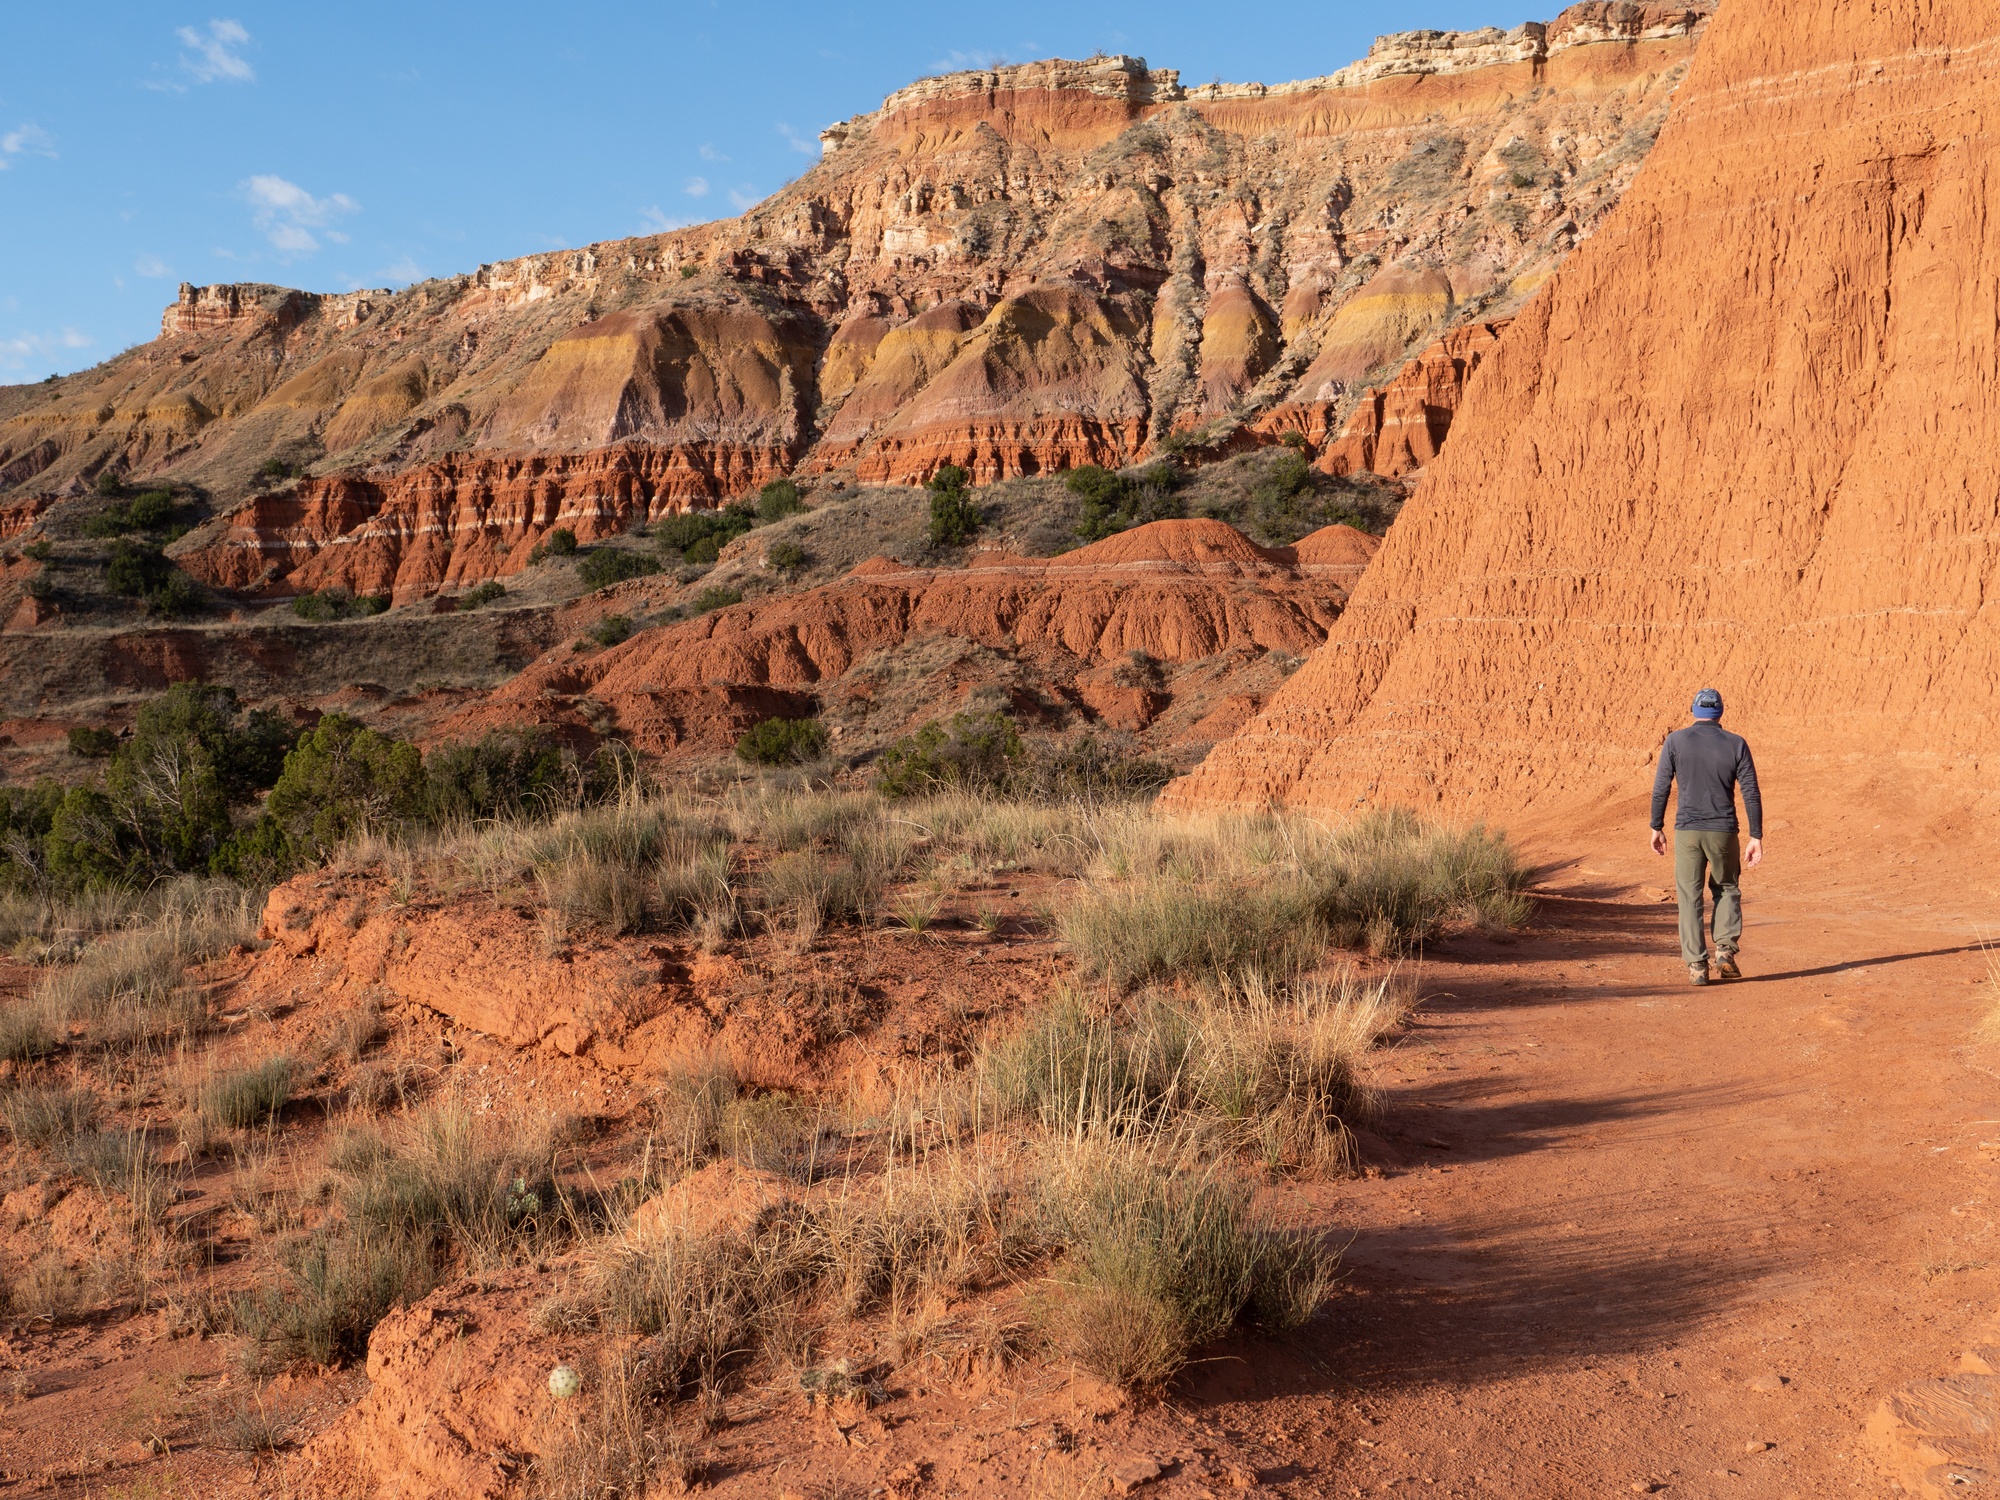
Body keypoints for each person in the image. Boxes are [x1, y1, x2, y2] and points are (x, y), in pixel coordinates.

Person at [1649, 688, 1763, 985]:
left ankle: (1697, 966)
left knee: (1689, 897)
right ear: (1720, 712)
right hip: (1723, 831)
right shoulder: (1736, 743)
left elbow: (1661, 786)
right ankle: (1724, 950)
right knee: (1726, 888)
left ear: (1694, 711)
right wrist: (1756, 835)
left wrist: (1656, 825)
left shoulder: (1676, 741)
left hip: (1687, 831)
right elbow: (1750, 791)